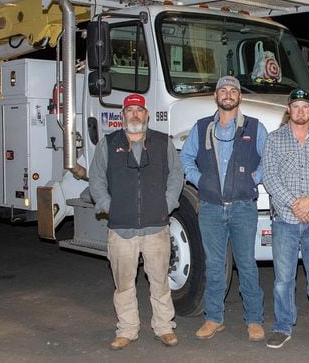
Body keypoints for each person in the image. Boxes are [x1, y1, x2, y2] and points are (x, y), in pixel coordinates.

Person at [88, 93, 184, 350]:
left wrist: (168, 203)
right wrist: (108, 206)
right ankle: (127, 330)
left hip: (156, 226)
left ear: (147, 115)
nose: (134, 115)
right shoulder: (108, 143)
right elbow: (96, 178)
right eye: (129, 111)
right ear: (122, 116)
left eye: (139, 111)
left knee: (160, 281)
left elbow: (176, 174)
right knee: (123, 283)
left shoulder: (162, 143)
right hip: (121, 229)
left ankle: (164, 327)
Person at [180, 75, 267, 343]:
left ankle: (254, 320)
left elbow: (269, 160)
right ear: (215, 96)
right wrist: (200, 180)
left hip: (243, 208)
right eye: (223, 90)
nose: (228, 94)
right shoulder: (202, 127)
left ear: (240, 97)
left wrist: (251, 179)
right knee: (215, 266)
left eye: (233, 90)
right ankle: (214, 318)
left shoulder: (255, 127)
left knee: (247, 265)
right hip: (210, 208)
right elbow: (185, 157)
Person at [262, 88, 309, 349]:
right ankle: (283, 326)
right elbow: (270, 177)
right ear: (289, 110)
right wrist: (294, 205)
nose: (301, 111)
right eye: (296, 106)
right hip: (285, 219)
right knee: (284, 278)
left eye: (305, 106)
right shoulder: (274, 140)